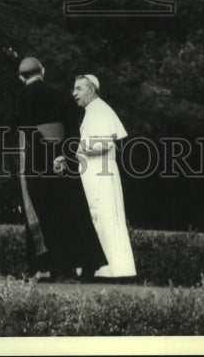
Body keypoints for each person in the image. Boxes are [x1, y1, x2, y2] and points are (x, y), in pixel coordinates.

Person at [13, 57, 106, 282]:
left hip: (36, 162)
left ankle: (45, 267)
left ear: (21, 77)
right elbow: (72, 128)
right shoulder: (59, 94)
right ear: (42, 71)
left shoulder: (20, 98)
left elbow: (19, 132)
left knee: (42, 214)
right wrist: (63, 154)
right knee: (70, 212)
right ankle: (76, 266)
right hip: (62, 160)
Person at [73, 74, 137, 280]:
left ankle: (112, 270)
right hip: (95, 172)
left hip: (101, 173)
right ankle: (102, 269)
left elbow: (105, 144)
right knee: (97, 219)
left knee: (104, 218)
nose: (74, 94)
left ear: (91, 90)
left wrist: (75, 148)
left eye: (78, 89)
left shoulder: (99, 111)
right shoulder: (93, 111)